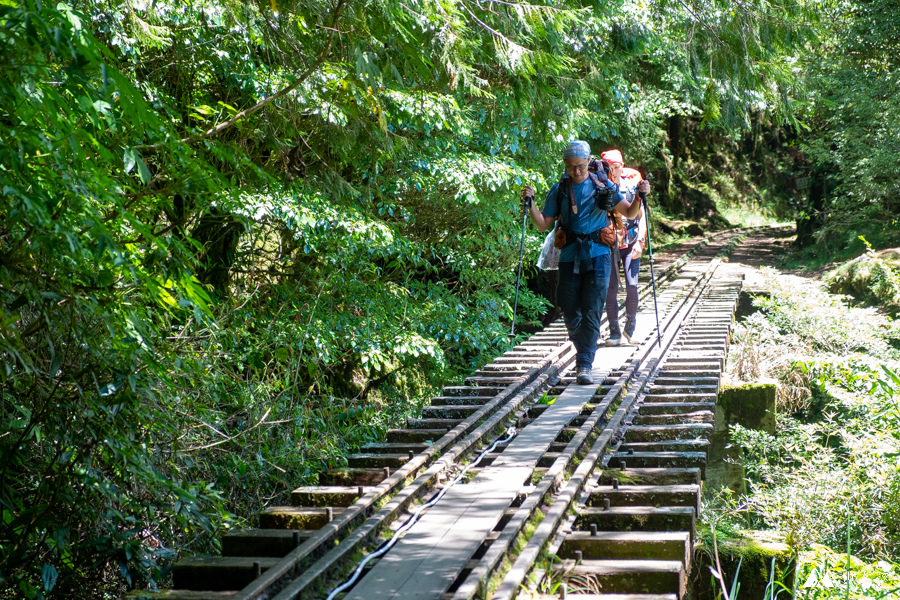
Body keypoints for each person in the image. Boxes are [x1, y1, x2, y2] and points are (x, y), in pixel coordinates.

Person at [521, 141, 645, 385]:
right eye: (570, 167)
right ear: (565, 166)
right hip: (569, 256)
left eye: (580, 166)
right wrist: (531, 203)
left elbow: (629, 213)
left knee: (592, 308)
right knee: (568, 306)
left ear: (589, 162)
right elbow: (543, 224)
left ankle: (584, 364)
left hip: (599, 254)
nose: (576, 171)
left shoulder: (603, 185)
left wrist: (640, 196)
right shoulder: (559, 189)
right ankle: (585, 352)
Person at [600, 150, 651, 346]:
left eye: (616, 167)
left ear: (622, 167)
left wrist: (641, 241)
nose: (614, 172)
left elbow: (641, 216)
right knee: (610, 289)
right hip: (608, 245)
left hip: (630, 242)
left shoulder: (631, 187)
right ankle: (614, 332)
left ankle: (630, 327)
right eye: (609, 168)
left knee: (632, 285)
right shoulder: (600, 191)